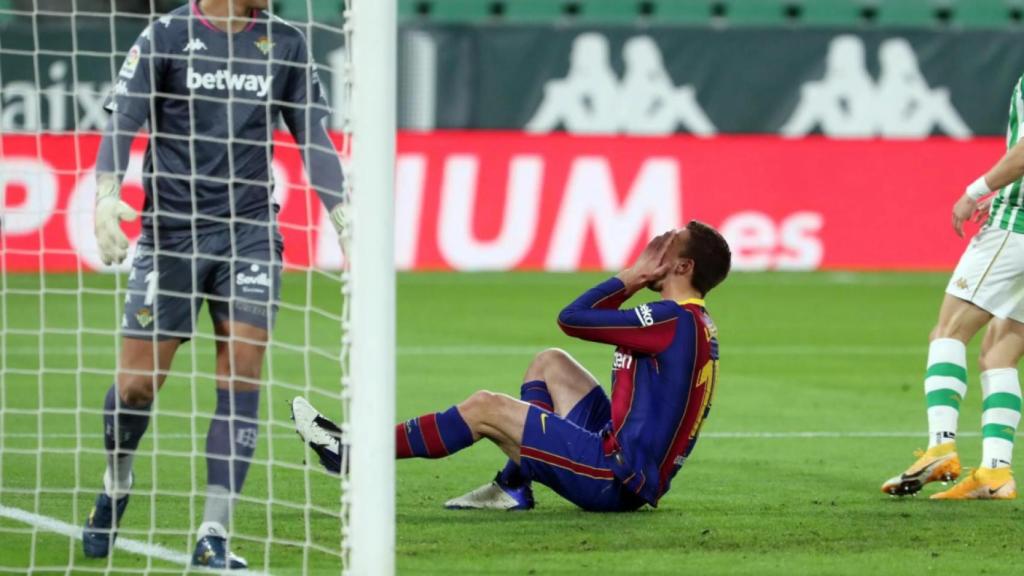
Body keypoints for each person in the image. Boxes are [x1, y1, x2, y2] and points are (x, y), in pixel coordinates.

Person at [82, 0, 346, 568]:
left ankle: (214, 533)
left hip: (249, 232)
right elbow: (123, 119)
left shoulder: (286, 43)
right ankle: (117, 482)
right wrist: (106, 194)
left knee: (242, 371)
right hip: (171, 235)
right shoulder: (167, 34)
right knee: (136, 388)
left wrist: (344, 217)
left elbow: (314, 139)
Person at [292, 224, 731, 512]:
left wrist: (630, 277)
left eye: (664, 248)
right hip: (622, 457)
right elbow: (576, 328)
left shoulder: (671, 320)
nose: (652, 250)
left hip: (613, 477)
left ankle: (352, 453)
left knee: (486, 407)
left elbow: (573, 317)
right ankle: (513, 487)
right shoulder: (691, 321)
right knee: (549, 363)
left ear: (683, 266)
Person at [880, 75, 1024, 499]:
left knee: (948, 331)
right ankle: (996, 472)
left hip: (1016, 227)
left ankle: (941, 444)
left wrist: (976, 192)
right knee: (1001, 349)